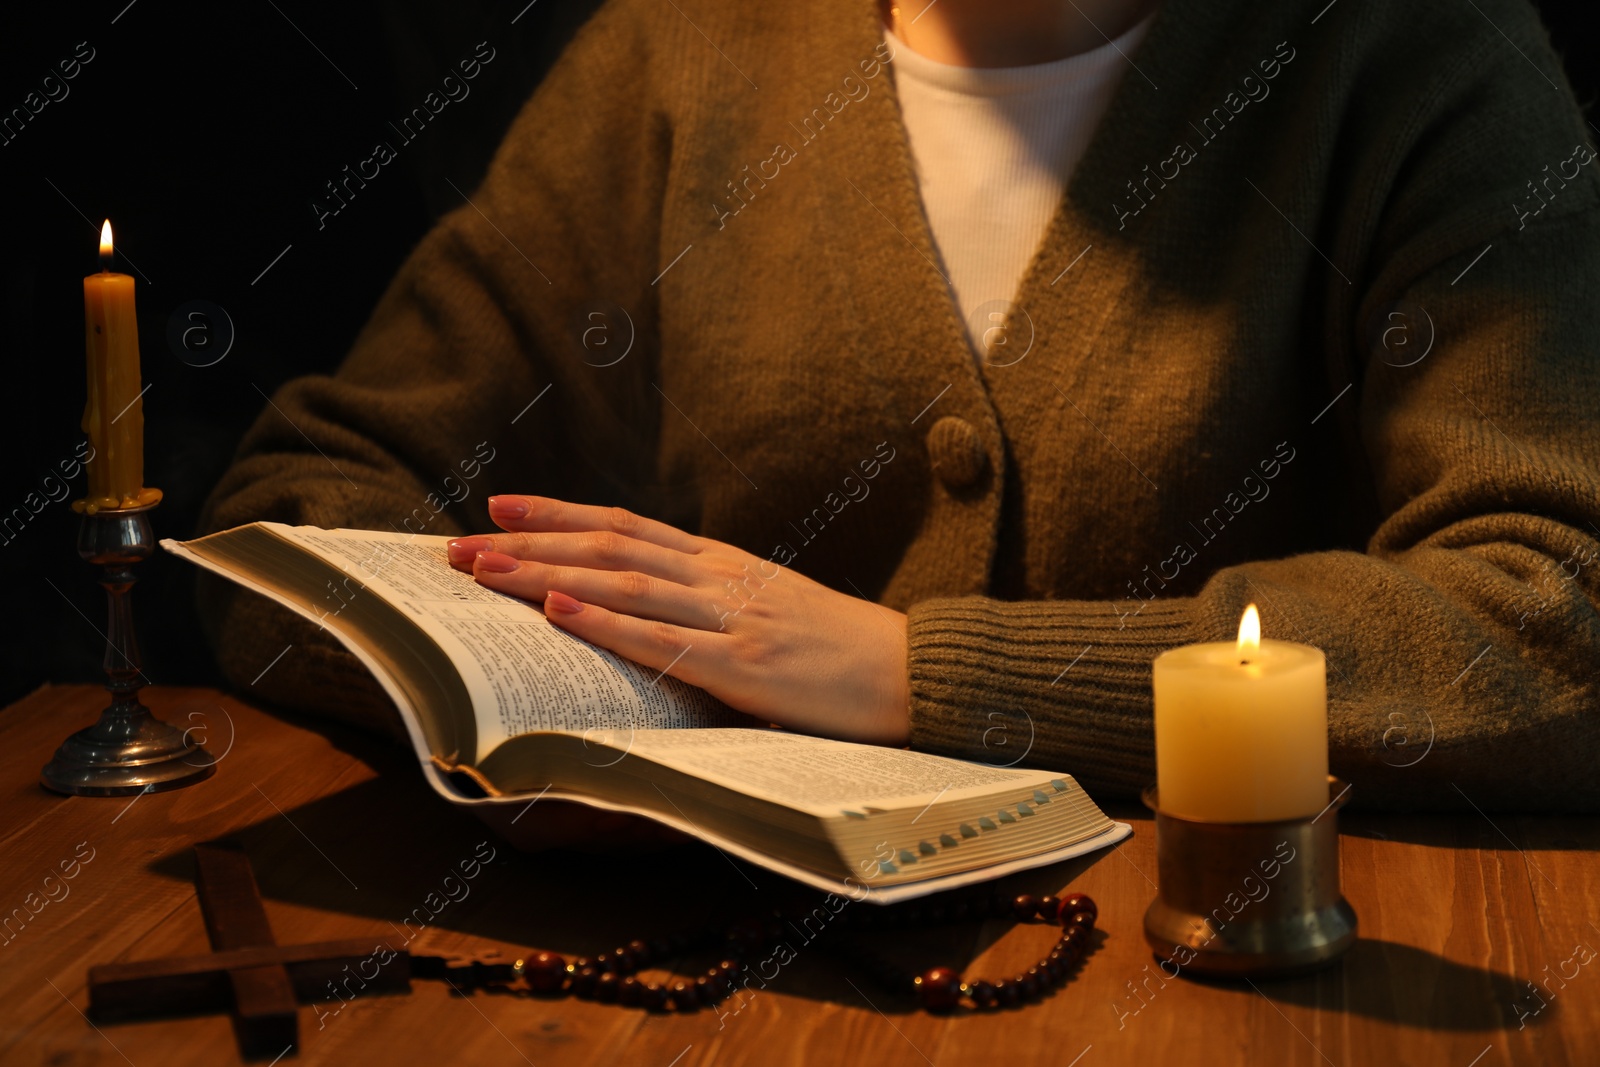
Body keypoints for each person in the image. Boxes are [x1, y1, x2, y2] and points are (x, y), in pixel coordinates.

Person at [199, 0, 1600, 818]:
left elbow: (1558, 614)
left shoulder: (1417, 56)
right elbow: (304, 506)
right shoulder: (681, 52)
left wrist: (910, 673)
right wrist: (556, 673)